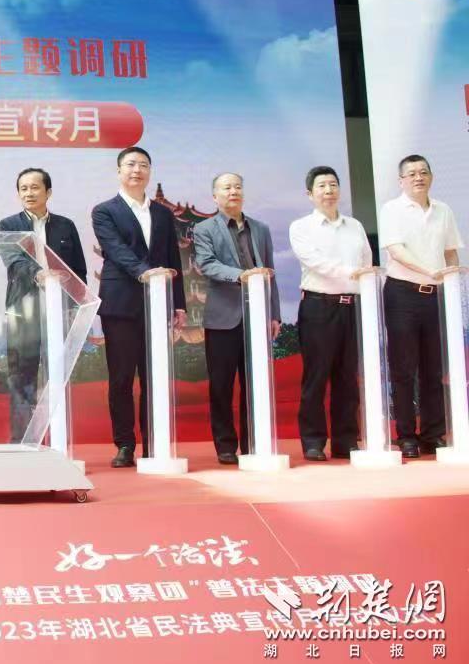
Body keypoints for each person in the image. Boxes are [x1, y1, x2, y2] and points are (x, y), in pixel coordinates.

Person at [91, 147, 185, 468]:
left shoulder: (163, 214)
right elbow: (115, 249)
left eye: (143, 165)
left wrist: (179, 303)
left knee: (153, 377)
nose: (137, 170)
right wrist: (145, 272)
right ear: (119, 171)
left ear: (150, 171)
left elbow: (173, 258)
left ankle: (154, 443)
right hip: (120, 304)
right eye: (130, 164)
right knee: (121, 379)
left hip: (157, 304)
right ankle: (125, 444)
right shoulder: (104, 211)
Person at [192, 173, 281, 464]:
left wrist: (274, 313)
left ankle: (253, 442)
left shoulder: (260, 229)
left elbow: (270, 272)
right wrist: (242, 275)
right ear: (215, 196)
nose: (234, 191)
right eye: (227, 187)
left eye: (238, 187)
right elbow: (207, 264)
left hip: (258, 316)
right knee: (221, 385)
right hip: (223, 318)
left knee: (255, 384)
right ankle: (226, 446)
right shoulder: (204, 228)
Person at [379, 154, 463, 459]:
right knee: (404, 368)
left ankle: (432, 433)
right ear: (401, 180)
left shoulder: (443, 210)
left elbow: (451, 252)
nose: (418, 177)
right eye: (412, 173)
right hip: (403, 294)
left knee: (434, 367)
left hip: (436, 295)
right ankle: (406, 436)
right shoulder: (392, 209)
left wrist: (451, 279)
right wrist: (431, 271)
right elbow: (396, 251)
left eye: (423, 172)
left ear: (431, 177)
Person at [0, 167, 87, 442]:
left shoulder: (65, 226)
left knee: (56, 373)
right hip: (23, 310)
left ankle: (58, 441)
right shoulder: (9, 225)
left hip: (59, 309)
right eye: (23, 188)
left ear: (48, 192)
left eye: (34, 187)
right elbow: (13, 260)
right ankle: (21, 443)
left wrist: (76, 305)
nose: (29, 193)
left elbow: (78, 270)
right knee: (21, 376)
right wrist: (39, 274)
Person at [288, 165, 371, 461]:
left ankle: (345, 441)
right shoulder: (301, 227)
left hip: (352, 306)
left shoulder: (355, 226)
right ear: (310, 194)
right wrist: (352, 272)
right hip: (318, 306)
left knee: (348, 377)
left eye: (333, 184)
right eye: (322, 186)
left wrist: (361, 278)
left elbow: (366, 261)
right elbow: (316, 263)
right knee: (316, 375)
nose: (329, 190)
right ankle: (313, 441)